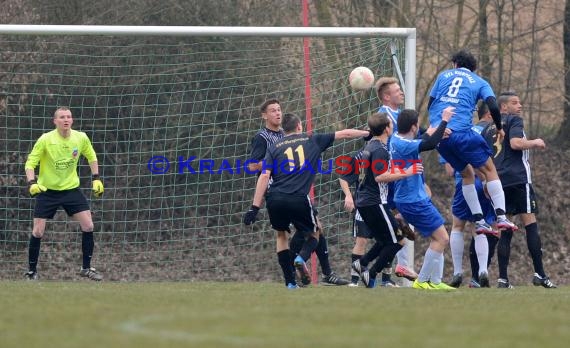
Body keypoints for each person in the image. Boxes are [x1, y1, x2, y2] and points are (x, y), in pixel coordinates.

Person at [243, 113, 368, 288]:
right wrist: (365, 133)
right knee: (315, 231)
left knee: (281, 236)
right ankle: (300, 259)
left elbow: (264, 176)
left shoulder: (274, 147)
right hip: (298, 198)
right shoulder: (312, 139)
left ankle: (290, 283)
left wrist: (254, 208)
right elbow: (344, 134)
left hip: (274, 198)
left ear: (284, 130)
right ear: (300, 126)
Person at [428, 49, 517, 234]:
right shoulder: (479, 82)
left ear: (455, 64)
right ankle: (501, 216)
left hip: (440, 136)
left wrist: (436, 126)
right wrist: (499, 127)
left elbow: (431, 102)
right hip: (461, 133)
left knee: (467, 173)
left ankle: (479, 220)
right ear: (473, 68)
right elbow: (493, 105)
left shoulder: (443, 76)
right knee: (490, 169)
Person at [24, 106, 104, 281]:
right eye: (62, 117)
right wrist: (32, 183)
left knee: (89, 226)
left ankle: (86, 268)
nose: (66, 119)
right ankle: (31, 272)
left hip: (71, 190)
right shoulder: (46, 139)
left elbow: (92, 156)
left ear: (72, 120)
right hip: (47, 191)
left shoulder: (81, 137)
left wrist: (96, 178)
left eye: (68, 117)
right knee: (38, 231)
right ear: (55, 121)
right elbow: (30, 163)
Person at [492, 91, 556, 289]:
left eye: (519, 102)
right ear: (503, 107)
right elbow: (516, 143)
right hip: (519, 180)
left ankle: (503, 279)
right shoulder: (514, 120)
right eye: (514, 103)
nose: (519, 106)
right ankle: (540, 274)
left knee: (506, 229)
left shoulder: (491, 127)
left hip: (499, 181)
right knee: (531, 225)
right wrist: (535, 142)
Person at [390, 107, 456, 290]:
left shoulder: (396, 138)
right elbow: (429, 144)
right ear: (413, 126)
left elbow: (426, 138)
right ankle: (422, 281)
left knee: (439, 238)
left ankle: (435, 282)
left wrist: (437, 131)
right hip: (413, 200)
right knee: (442, 238)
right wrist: (444, 121)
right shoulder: (406, 144)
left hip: (410, 198)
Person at [349, 112, 417, 288]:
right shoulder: (379, 149)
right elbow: (380, 177)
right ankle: (368, 272)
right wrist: (407, 172)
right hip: (374, 202)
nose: (392, 126)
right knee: (398, 241)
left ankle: (363, 266)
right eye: (390, 124)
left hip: (366, 202)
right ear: (387, 128)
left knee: (385, 241)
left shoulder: (370, 146)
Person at [444, 103, 499, 288]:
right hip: (483, 181)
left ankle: (457, 272)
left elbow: (449, 169)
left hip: (464, 183)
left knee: (457, 227)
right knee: (480, 226)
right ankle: (482, 271)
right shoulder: (489, 131)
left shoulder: (449, 133)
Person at [375, 77, 418, 282]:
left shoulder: (399, 115)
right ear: (386, 96)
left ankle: (394, 270)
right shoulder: (384, 115)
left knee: (401, 218)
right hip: (392, 174)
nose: (401, 92)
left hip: (401, 172)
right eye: (397, 90)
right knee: (398, 218)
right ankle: (395, 267)